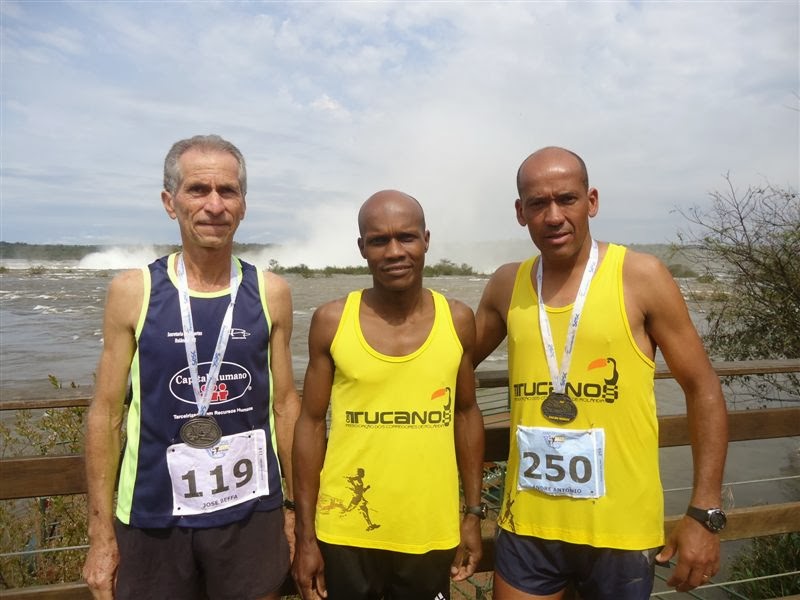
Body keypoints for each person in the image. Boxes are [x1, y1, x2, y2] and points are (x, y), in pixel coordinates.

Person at [474, 147, 728, 599]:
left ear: (591, 202)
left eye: (566, 199)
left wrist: (704, 513)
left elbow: (702, 387)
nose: (554, 216)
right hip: (527, 524)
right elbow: (448, 363)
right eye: (538, 203)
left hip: (620, 530)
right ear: (520, 212)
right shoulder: (506, 285)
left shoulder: (640, 276)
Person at [82, 135, 301, 600]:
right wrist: (101, 536)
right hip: (154, 516)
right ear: (170, 202)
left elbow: (285, 406)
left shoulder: (271, 292)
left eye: (228, 191)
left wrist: (294, 510)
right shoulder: (133, 291)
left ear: (243, 205)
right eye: (198, 190)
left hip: (252, 514)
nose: (214, 205)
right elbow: (106, 414)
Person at [291, 190, 486, 600]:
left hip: (429, 528)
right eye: (379, 240)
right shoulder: (331, 321)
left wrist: (472, 513)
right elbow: (310, 424)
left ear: (426, 240)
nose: (395, 251)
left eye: (406, 237)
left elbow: (466, 414)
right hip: (345, 532)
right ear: (362, 248)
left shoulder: (457, 320)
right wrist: (306, 536)